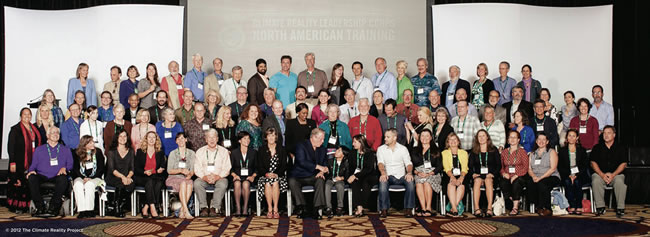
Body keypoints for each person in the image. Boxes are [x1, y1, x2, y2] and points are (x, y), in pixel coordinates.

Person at [27, 126, 73, 217]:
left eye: (57, 133)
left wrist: (65, 168)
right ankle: (40, 207)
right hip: (42, 175)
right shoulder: (39, 149)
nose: (56, 134)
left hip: (57, 176)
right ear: (48, 135)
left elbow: (70, 164)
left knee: (63, 179)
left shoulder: (66, 149)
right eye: (53, 132)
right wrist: (31, 171)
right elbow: (33, 165)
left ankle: (53, 207)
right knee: (31, 178)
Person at [7, 108, 44, 213]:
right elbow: (11, 147)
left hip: (32, 160)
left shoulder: (34, 129)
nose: (27, 116)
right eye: (24, 114)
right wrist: (12, 162)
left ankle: (27, 205)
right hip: (18, 161)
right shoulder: (15, 129)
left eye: (29, 114)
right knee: (18, 182)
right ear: (20, 116)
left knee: (29, 182)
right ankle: (17, 207)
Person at [288, 128, 328, 219]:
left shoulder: (322, 149)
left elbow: (325, 163)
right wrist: (318, 167)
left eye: (323, 139)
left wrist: (322, 171)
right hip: (299, 175)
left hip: (314, 175)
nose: (322, 141)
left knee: (321, 180)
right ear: (314, 137)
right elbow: (302, 162)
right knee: (292, 181)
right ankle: (302, 207)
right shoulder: (301, 145)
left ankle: (316, 209)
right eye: (321, 139)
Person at [377, 129, 415, 218]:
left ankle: (408, 209)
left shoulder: (403, 149)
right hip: (388, 175)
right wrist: (383, 173)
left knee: (410, 182)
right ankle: (383, 209)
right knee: (382, 182)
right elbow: (380, 163)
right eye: (385, 136)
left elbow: (408, 163)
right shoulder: (381, 149)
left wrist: (409, 173)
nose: (385, 139)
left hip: (402, 176)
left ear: (394, 138)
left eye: (388, 137)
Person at [591, 126, 627, 217]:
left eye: (609, 133)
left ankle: (620, 208)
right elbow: (593, 163)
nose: (606, 135)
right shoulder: (597, 147)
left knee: (620, 181)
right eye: (604, 133)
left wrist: (613, 174)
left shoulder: (621, 148)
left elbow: (623, 164)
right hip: (601, 174)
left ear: (614, 135)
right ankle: (600, 207)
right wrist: (602, 175)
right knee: (595, 179)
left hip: (616, 174)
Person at [194, 129, 231, 217]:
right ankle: (204, 208)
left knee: (223, 184)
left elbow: (227, 168)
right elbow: (197, 168)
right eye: (209, 138)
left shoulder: (224, 151)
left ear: (217, 139)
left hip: (219, 177)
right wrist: (204, 177)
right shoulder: (200, 151)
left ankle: (214, 208)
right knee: (197, 183)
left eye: (214, 137)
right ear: (206, 139)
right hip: (204, 178)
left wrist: (218, 176)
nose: (212, 140)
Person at [256, 127, 288, 219]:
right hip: (264, 176)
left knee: (274, 181)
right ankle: (270, 209)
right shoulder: (261, 149)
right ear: (266, 137)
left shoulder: (281, 149)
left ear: (276, 137)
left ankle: (276, 208)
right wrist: (266, 174)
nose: (271, 138)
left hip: (279, 176)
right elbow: (259, 166)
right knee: (267, 182)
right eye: (269, 135)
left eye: (273, 135)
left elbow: (284, 165)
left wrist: (276, 174)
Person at [526, 132, 560, 216]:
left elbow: (553, 169)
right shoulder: (532, 154)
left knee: (542, 183)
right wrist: (533, 176)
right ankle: (538, 206)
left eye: (543, 139)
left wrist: (540, 178)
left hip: (551, 176)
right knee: (529, 183)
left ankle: (547, 208)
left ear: (547, 141)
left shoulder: (551, 152)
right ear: (536, 141)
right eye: (539, 139)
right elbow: (529, 168)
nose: (541, 141)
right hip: (536, 176)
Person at [72, 135, 106, 218]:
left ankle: (89, 210)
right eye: (90, 142)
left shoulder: (98, 152)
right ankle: (82, 210)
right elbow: (75, 169)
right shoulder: (76, 153)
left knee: (89, 185)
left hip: (95, 177)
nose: (93, 144)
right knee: (77, 185)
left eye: (93, 142)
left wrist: (91, 178)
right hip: (80, 176)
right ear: (84, 144)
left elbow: (101, 168)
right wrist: (83, 178)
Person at [469, 130, 501, 218]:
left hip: (490, 175)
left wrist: (493, 174)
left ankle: (489, 208)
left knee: (488, 181)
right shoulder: (474, 151)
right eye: (479, 136)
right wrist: (473, 174)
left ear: (487, 137)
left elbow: (498, 165)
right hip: (478, 175)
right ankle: (476, 208)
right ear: (477, 138)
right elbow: (470, 166)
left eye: (483, 136)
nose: (481, 138)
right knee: (477, 181)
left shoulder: (493, 150)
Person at [134, 131, 167, 218]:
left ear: (156, 140)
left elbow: (163, 165)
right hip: (142, 176)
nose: (151, 139)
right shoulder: (140, 151)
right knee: (150, 182)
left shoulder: (160, 152)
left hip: (155, 176)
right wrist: (144, 172)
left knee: (158, 183)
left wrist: (161, 169)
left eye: (154, 137)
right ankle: (153, 207)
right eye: (149, 137)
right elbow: (136, 167)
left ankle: (146, 206)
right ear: (146, 139)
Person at [410, 129, 442, 217]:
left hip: (432, 174)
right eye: (422, 136)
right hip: (419, 173)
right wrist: (416, 172)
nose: (424, 138)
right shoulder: (415, 150)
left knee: (427, 182)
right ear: (419, 138)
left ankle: (428, 208)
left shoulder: (436, 150)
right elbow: (410, 164)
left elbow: (440, 166)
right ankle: (423, 208)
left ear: (431, 137)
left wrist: (429, 173)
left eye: (427, 136)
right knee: (419, 183)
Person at [558, 129, 590, 215]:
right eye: (569, 136)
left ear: (577, 138)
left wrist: (576, 175)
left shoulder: (582, 150)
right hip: (566, 174)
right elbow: (560, 166)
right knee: (568, 182)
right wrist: (569, 175)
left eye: (573, 136)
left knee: (577, 181)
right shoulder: (562, 151)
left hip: (580, 174)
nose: (571, 138)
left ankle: (579, 205)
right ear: (566, 138)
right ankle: (571, 205)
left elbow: (584, 165)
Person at [105, 129, 135, 217]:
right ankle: (118, 208)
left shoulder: (131, 151)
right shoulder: (111, 152)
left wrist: (128, 177)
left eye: (125, 136)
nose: (123, 138)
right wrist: (123, 177)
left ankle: (115, 206)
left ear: (127, 138)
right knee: (120, 184)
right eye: (120, 136)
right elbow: (112, 169)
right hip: (114, 176)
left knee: (131, 185)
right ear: (117, 138)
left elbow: (132, 168)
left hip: (127, 176)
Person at [346, 135, 378, 217]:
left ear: (361, 143)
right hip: (356, 175)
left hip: (369, 175)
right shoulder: (352, 153)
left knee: (365, 183)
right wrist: (353, 176)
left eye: (355, 142)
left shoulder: (370, 153)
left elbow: (369, 169)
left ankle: (362, 205)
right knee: (355, 183)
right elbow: (351, 168)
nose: (353, 144)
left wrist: (356, 175)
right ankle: (359, 207)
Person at [499, 130, 529, 216]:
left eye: (514, 137)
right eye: (510, 137)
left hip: (520, 176)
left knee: (517, 183)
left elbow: (525, 167)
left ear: (518, 140)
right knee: (503, 182)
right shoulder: (504, 152)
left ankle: (515, 207)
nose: (512, 139)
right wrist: (504, 173)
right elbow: (501, 166)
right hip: (507, 175)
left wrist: (516, 175)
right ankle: (511, 199)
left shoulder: (522, 152)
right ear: (507, 140)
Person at [166, 132, 196, 219]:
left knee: (190, 183)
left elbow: (193, 169)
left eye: (182, 138)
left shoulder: (191, 153)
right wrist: (181, 170)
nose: (181, 140)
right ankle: (186, 210)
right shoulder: (173, 153)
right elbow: (169, 170)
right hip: (173, 178)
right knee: (183, 183)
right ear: (176, 141)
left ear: (186, 140)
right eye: (178, 139)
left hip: (186, 178)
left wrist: (190, 174)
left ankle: (182, 210)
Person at [230, 131, 258, 217]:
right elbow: (230, 168)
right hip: (237, 176)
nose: (247, 140)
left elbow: (257, 168)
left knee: (246, 184)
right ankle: (238, 208)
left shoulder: (253, 152)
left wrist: (253, 176)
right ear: (239, 141)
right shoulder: (234, 153)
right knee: (237, 183)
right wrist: (234, 175)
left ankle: (245, 208)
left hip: (249, 177)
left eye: (248, 138)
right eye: (244, 138)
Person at [442, 133, 469, 217]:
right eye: (451, 140)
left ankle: (452, 209)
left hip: (462, 174)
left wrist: (461, 177)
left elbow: (465, 167)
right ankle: (455, 208)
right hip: (449, 175)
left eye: (455, 139)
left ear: (458, 142)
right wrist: (452, 177)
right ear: (448, 142)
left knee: (461, 186)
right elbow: (446, 168)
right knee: (451, 184)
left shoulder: (464, 153)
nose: (453, 141)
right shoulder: (444, 153)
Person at [324, 147, 349, 218]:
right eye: (337, 150)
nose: (336, 151)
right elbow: (326, 173)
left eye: (339, 151)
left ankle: (340, 207)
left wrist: (341, 178)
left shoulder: (346, 163)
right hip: (330, 179)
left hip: (340, 180)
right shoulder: (330, 161)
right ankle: (328, 208)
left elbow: (348, 175)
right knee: (327, 185)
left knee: (340, 186)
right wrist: (326, 172)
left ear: (343, 154)